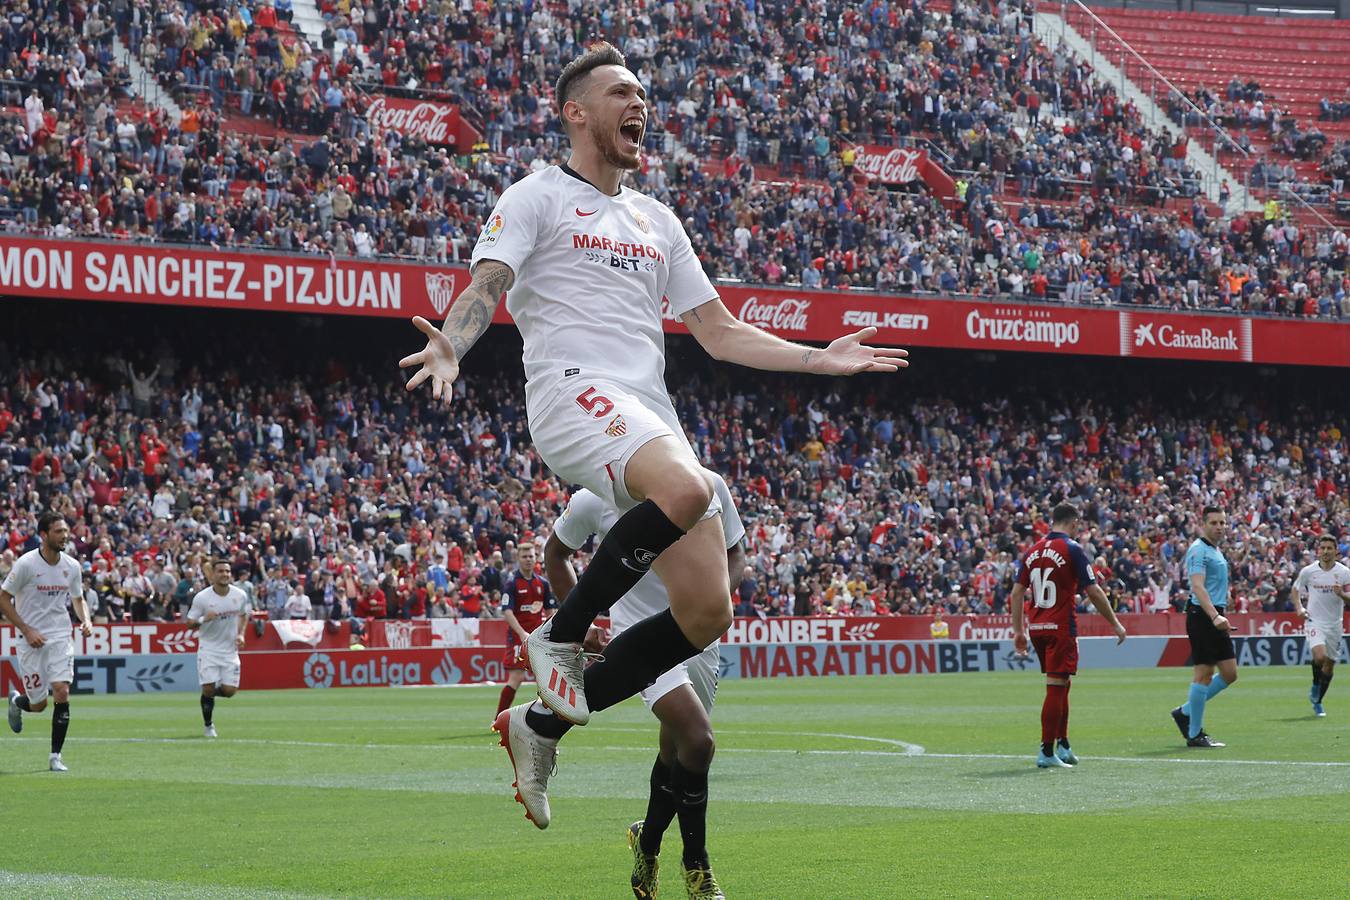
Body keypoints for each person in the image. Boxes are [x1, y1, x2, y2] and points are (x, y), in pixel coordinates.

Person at [400, 41, 907, 827]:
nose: (640, 105)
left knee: (708, 610)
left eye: (643, 94)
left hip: (646, 412)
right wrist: (453, 343)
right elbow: (486, 285)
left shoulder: (655, 219)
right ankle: (559, 636)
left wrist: (821, 361)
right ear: (576, 112)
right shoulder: (535, 195)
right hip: (574, 394)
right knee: (688, 487)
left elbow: (720, 330)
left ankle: (537, 724)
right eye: (621, 93)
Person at [544, 473, 743, 899]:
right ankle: (698, 869)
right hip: (641, 642)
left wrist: (712, 596)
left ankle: (646, 844)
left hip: (699, 637)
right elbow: (556, 553)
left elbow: (735, 554)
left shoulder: (707, 484)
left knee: (675, 754)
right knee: (698, 740)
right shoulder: (594, 498)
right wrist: (579, 625)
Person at [1010, 503, 1127, 768]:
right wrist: (1116, 624)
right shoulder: (1073, 549)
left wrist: (1018, 632)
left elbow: (1017, 592)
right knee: (1055, 687)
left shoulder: (1032, 551)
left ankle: (1062, 744)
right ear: (1074, 524)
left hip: (1038, 628)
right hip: (1060, 628)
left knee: (1062, 684)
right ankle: (1046, 751)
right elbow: (1094, 591)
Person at [1, 512, 94, 772]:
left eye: (66, 531)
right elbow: (3, 598)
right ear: (44, 535)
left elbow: (77, 598)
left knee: (62, 691)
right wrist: (27, 629)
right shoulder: (26, 565)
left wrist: (85, 619)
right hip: (30, 640)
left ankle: (55, 757)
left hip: (61, 636)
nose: (64, 536)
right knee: (38, 704)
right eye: (58, 531)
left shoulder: (72, 566)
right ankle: (18, 702)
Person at [1170, 507, 1236, 748]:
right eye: (1214, 522)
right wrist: (1215, 616)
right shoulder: (1198, 549)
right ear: (1203, 524)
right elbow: (1197, 586)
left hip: (1215, 614)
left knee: (1230, 673)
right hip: (1203, 616)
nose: (1219, 526)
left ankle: (1185, 711)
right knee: (1204, 674)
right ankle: (1194, 734)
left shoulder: (1214, 550)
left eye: (1223, 522)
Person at [187, 559, 250, 738]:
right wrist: (203, 619)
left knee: (230, 692)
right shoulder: (202, 598)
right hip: (208, 648)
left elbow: (244, 615)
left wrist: (241, 634)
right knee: (208, 689)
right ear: (213, 575)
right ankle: (208, 725)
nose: (225, 574)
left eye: (227, 571)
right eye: (221, 571)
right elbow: (189, 623)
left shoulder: (239, 595)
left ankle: (207, 696)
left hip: (230, 649)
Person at [1292, 534, 1350, 717]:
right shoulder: (1309, 571)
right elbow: (1295, 590)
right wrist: (1300, 607)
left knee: (1330, 665)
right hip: (1314, 620)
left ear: (1336, 551)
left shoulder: (1344, 573)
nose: (1325, 551)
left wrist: (1342, 595)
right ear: (1319, 550)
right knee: (1319, 657)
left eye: (1329, 548)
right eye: (1322, 548)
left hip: (1335, 624)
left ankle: (1318, 701)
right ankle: (1315, 685)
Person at [495, 543, 556, 717]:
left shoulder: (542, 583)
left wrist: (549, 633)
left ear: (536, 558)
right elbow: (507, 611)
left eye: (531, 556)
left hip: (537, 638)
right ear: (518, 559)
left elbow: (550, 611)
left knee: (545, 679)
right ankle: (498, 719)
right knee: (517, 677)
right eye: (524, 557)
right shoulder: (511, 583)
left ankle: (549, 717)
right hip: (517, 638)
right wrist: (522, 633)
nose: (528, 560)